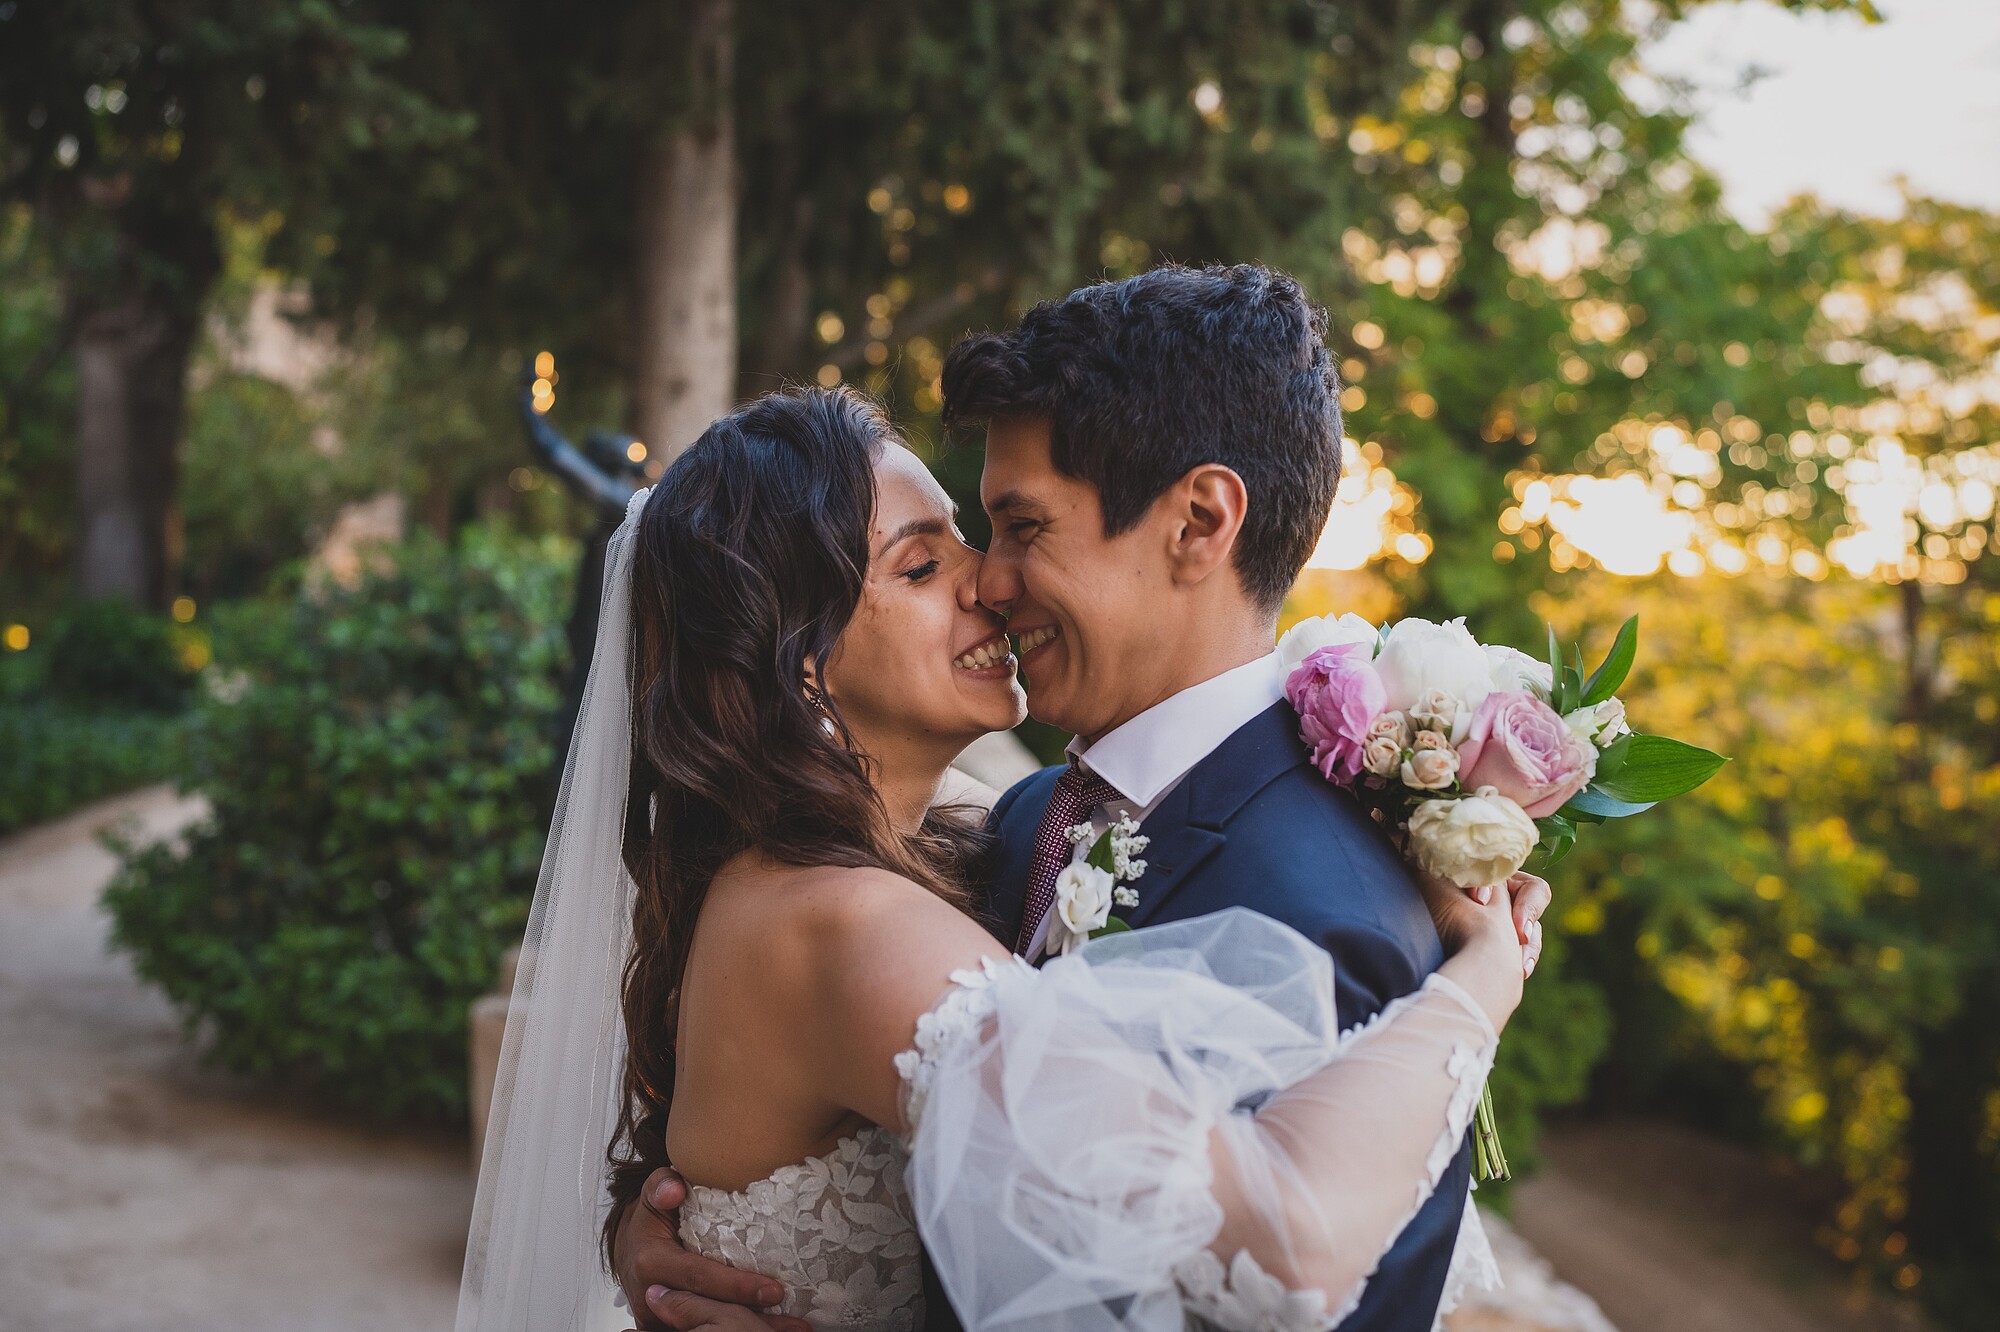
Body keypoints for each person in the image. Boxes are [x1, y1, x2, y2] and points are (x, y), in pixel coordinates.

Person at [459, 373, 1540, 1332]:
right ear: (800, 670)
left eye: (971, 541)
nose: (988, 583)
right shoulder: (835, 921)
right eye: (922, 565)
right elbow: (1284, 1246)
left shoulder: (970, 830)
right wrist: (1479, 983)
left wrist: (641, 1230)